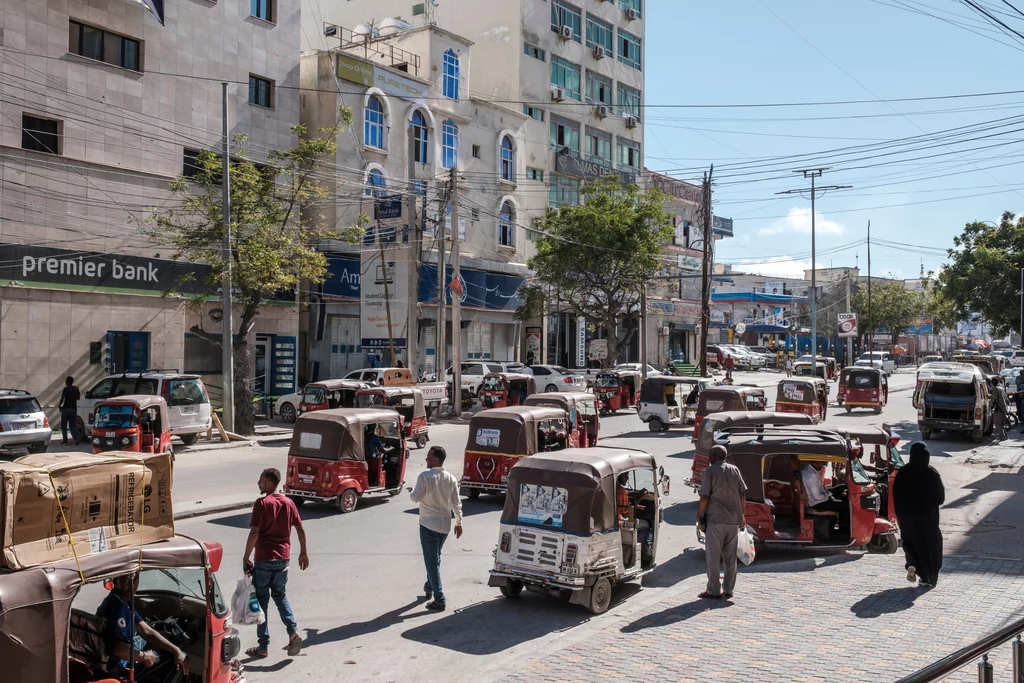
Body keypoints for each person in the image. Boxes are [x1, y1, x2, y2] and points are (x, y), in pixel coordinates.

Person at [243, 468, 308, 659]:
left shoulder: (262, 503)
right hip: (283, 560)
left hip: (264, 559)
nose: (258, 484)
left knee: (261, 603)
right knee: (280, 596)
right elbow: (300, 528)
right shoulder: (289, 503)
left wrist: (246, 556)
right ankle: (293, 631)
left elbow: (254, 532)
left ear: (269, 483)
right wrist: (303, 552)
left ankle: (263, 646)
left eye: (261, 481)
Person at [97, 573, 190, 679]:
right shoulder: (116, 608)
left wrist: (176, 650)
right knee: (177, 663)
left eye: (136, 579)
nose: (132, 584)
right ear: (114, 581)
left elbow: (146, 630)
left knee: (164, 644)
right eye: (126, 580)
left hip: (123, 655)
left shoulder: (122, 601)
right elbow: (118, 649)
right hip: (119, 667)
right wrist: (145, 657)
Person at [408, 446, 463, 611]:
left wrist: (412, 492)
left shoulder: (425, 477)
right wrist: (459, 522)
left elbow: (415, 497)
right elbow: (456, 504)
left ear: (436, 460)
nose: (426, 459)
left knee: (432, 562)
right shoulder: (451, 479)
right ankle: (429, 586)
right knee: (435, 558)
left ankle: (439, 599)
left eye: (428, 457)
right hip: (445, 526)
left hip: (428, 526)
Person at [695, 445, 747, 600]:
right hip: (733, 521)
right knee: (730, 558)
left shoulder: (710, 471)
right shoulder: (734, 470)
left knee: (713, 556)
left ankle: (713, 590)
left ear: (713, 456)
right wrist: (742, 515)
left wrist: (699, 517)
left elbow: (704, 497)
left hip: (716, 520)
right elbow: (742, 493)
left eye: (710, 454)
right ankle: (729, 589)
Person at [893, 442, 945, 587]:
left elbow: (896, 495)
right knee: (931, 545)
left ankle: (912, 564)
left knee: (910, 542)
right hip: (928, 519)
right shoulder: (932, 473)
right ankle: (929, 577)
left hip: (907, 518)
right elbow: (940, 497)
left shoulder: (903, 472)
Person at [58, 376, 81, 445]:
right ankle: (76, 436)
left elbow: (62, 398)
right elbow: (78, 398)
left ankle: (65, 439)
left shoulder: (66, 389)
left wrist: (59, 405)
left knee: (63, 425)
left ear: (67, 382)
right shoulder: (76, 388)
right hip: (73, 409)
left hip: (66, 409)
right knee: (73, 425)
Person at [993, 375, 1010, 440]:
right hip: (1003, 407)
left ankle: (1002, 437)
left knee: (997, 423)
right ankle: (1004, 436)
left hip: (999, 408)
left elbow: (995, 399)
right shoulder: (1001, 388)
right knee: (1001, 423)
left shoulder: (996, 388)